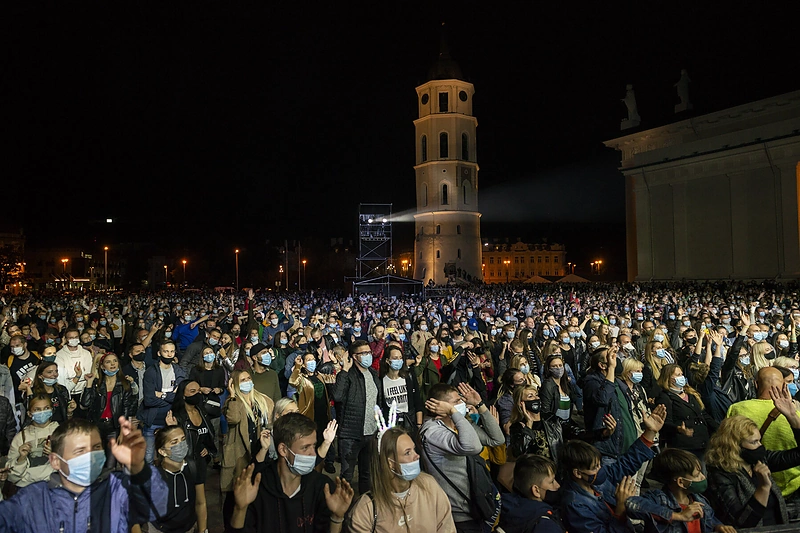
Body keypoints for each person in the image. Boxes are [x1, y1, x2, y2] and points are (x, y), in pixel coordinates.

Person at [0, 416, 167, 532]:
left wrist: (138, 466)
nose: (90, 457)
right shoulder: (32, 498)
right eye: (80, 451)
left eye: (95, 448)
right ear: (55, 461)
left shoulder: (117, 489)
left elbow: (155, 508)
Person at [228, 412, 354, 533]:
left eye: (314, 446)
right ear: (283, 450)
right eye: (305, 448)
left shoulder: (322, 487)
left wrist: (337, 518)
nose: (313, 454)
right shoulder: (255, 488)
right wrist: (240, 509)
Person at [560, 404, 666, 533]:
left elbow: (625, 464)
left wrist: (650, 432)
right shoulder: (574, 505)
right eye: (595, 467)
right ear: (577, 473)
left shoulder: (596, 480)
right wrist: (620, 509)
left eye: (599, 464)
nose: (600, 469)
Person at [707, 385, 800, 527]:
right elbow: (741, 522)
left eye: (759, 440)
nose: (760, 446)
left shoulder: (759, 460)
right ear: (734, 445)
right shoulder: (721, 474)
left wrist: (793, 418)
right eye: (754, 442)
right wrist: (763, 488)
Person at [420, 382, 505, 533]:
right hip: (459, 516)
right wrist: (454, 412)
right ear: (440, 406)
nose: (462, 403)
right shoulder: (432, 431)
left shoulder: (457, 424)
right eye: (456, 402)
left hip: (474, 507)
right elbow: (473, 447)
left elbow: (497, 439)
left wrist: (479, 404)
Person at [346, 426, 456, 533]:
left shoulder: (429, 485)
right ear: (390, 463)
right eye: (408, 452)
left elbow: (447, 526)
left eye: (414, 449)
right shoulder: (366, 509)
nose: (417, 455)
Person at [727, 366, 800, 503]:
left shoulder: (737, 409)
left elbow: (729, 446)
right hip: (794, 485)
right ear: (784, 385)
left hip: (756, 487)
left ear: (755, 384)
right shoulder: (794, 413)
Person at [625, 449, 736, 533]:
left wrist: (719, 526)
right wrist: (678, 516)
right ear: (681, 482)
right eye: (697, 475)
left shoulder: (698, 499)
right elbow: (631, 504)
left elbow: (711, 519)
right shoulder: (658, 499)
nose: (703, 477)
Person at [221, 369, 274, 519]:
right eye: (242, 380)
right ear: (235, 384)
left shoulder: (263, 400)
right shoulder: (232, 402)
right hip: (240, 454)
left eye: (248, 378)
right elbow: (233, 419)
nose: (247, 382)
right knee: (234, 495)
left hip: (260, 452)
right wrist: (232, 395)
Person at [332, 340, 384, 493]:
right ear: (354, 356)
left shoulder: (374, 374)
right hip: (351, 434)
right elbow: (337, 396)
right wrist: (344, 371)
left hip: (371, 433)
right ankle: (342, 510)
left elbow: (378, 401)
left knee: (367, 474)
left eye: (369, 352)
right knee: (346, 475)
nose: (368, 356)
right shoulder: (348, 375)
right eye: (364, 353)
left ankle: (364, 507)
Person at [165, 379, 215, 533]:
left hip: (199, 463)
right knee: (184, 501)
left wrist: (208, 449)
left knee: (200, 501)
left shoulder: (203, 411)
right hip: (182, 465)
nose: (198, 394)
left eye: (199, 390)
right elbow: (171, 444)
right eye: (193, 391)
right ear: (183, 395)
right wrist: (171, 428)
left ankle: (202, 530)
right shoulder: (177, 416)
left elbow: (209, 436)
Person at [140, 340, 187, 463]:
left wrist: (161, 395)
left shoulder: (179, 372)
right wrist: (171, 396)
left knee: (172, 455)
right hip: (154, 420)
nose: (169, 354)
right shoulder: (151, 372)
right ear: (159, 353)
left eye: (172, 351)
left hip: (172, 420)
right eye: (166, 351)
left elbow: (180, 397)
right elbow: (149, 400)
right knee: (149, 456)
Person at [148, 425, 199, 533]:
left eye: (183, 439)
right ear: (162, 451)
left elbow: (200, 502)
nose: (180, 445)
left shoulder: (192, 467)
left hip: (189, 528)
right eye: (174, 442)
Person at [81, 352, 137, 447]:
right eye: (108, 362)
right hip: (96, 427)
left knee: (111, 461)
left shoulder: (124, 384)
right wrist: (89, 384)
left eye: (115, 361)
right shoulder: (96, 384)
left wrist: (122, 432)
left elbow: (126, 410)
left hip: (114, 428)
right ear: (102, 367)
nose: (112, 364)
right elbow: (85, 404)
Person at [499, 455, 564, 533]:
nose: (557, 485)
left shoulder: (506, 507)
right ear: (536, 490)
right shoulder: (546, 526)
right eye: (552, 482)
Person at [6, 395, 58, 487]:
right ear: (30, 414)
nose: (42, 412)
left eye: (46, 408)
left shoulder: (61, 433)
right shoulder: (20, 438)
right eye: (37, 409)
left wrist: (56, 455)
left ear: (51, 410)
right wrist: (21, 459)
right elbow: (11, 476)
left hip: (54, 486)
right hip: (27, 488)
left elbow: (73, 466)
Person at [54, 328, 93, 419]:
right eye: (71, 338)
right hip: (68, 392)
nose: (74, 340)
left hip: (83, 391)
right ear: (66, 339)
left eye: (76, 337)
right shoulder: (59, 355)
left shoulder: (86, 354)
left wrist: (73, 375)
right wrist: (78, 375)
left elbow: (87, 373)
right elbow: (62, 377)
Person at [380, 344, 423, 427]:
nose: (399, 360)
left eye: (400, 358)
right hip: (391, 424)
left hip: (409, 422)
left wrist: (419, 424)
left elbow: (417, 401)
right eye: (395, 358)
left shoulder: (409, 376)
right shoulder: (381, 380)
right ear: (387, 361)